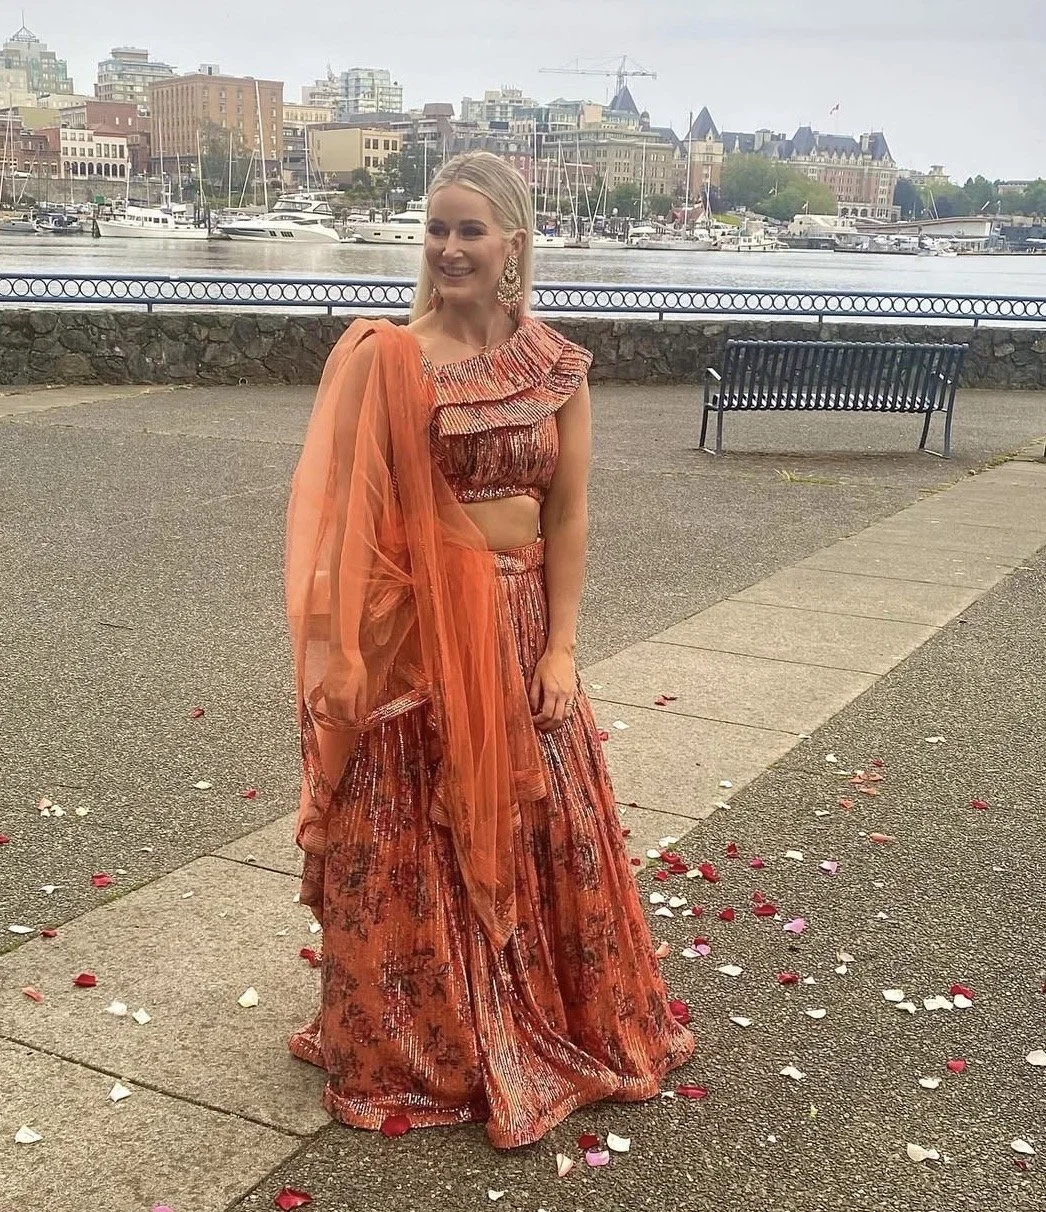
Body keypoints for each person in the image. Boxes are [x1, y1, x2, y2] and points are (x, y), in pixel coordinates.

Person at [284, 151, 694, 1149]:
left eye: (471, 229)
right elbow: (347, 521)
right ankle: (437, 1041)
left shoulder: (556, 364)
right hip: (424, 637)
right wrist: (347, 650)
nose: (451, 247)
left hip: (517, 639)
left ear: (512, 240)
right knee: (414, 836)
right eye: (437, 229)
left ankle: (540, 1015)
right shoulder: (388, 358)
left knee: (538, 828)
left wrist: (561, 651)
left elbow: (569, 517)